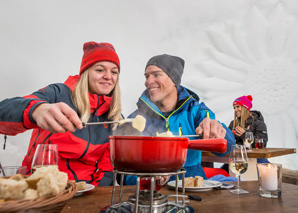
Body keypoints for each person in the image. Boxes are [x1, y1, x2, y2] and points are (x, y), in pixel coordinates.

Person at [0, 41, 122, 186]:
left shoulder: (115, 118)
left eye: (114, 71)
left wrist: (93, 195)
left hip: (85, 192)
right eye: (100, 70)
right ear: (85, 72)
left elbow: (107, 170)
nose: (108, 76)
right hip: (42, 187)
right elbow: (3, 112)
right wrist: (36, 110)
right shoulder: (57, 94)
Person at [123, 54, 235, 185]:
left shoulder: (196, 112)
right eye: (147, 76)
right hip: (152, 195)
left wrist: (218, 132)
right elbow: (124, 172)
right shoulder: (135, 119)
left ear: (174, 79)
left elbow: (229, 147)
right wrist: (148, 177)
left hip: (193, 190)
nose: (148, 81)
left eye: (156, 75)